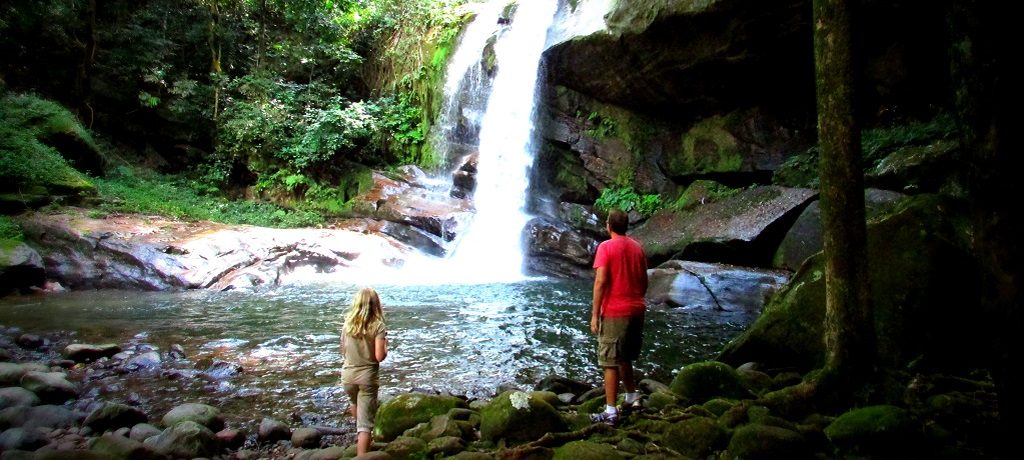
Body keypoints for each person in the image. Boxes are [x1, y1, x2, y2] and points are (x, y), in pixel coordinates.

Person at [590, 208, 648, 426]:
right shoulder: (637, 247)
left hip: (615, 311)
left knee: (610, 362)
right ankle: (632, 396)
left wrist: (595, 315)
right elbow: (644, 280)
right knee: (625, 356)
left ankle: (610, 411)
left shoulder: (605, 247)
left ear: (608, 226)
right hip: (637, 309)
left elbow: (601, 282)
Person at [341, 287, 388, 455]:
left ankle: (361, 435)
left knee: (355, 404)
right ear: (376, 305)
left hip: (347, 376)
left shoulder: (348, 324)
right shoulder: (378, 326)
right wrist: (386, 347)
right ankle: (363, 452)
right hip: (367, 378)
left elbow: (343, 351)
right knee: (366, 425)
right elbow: (379, 356)